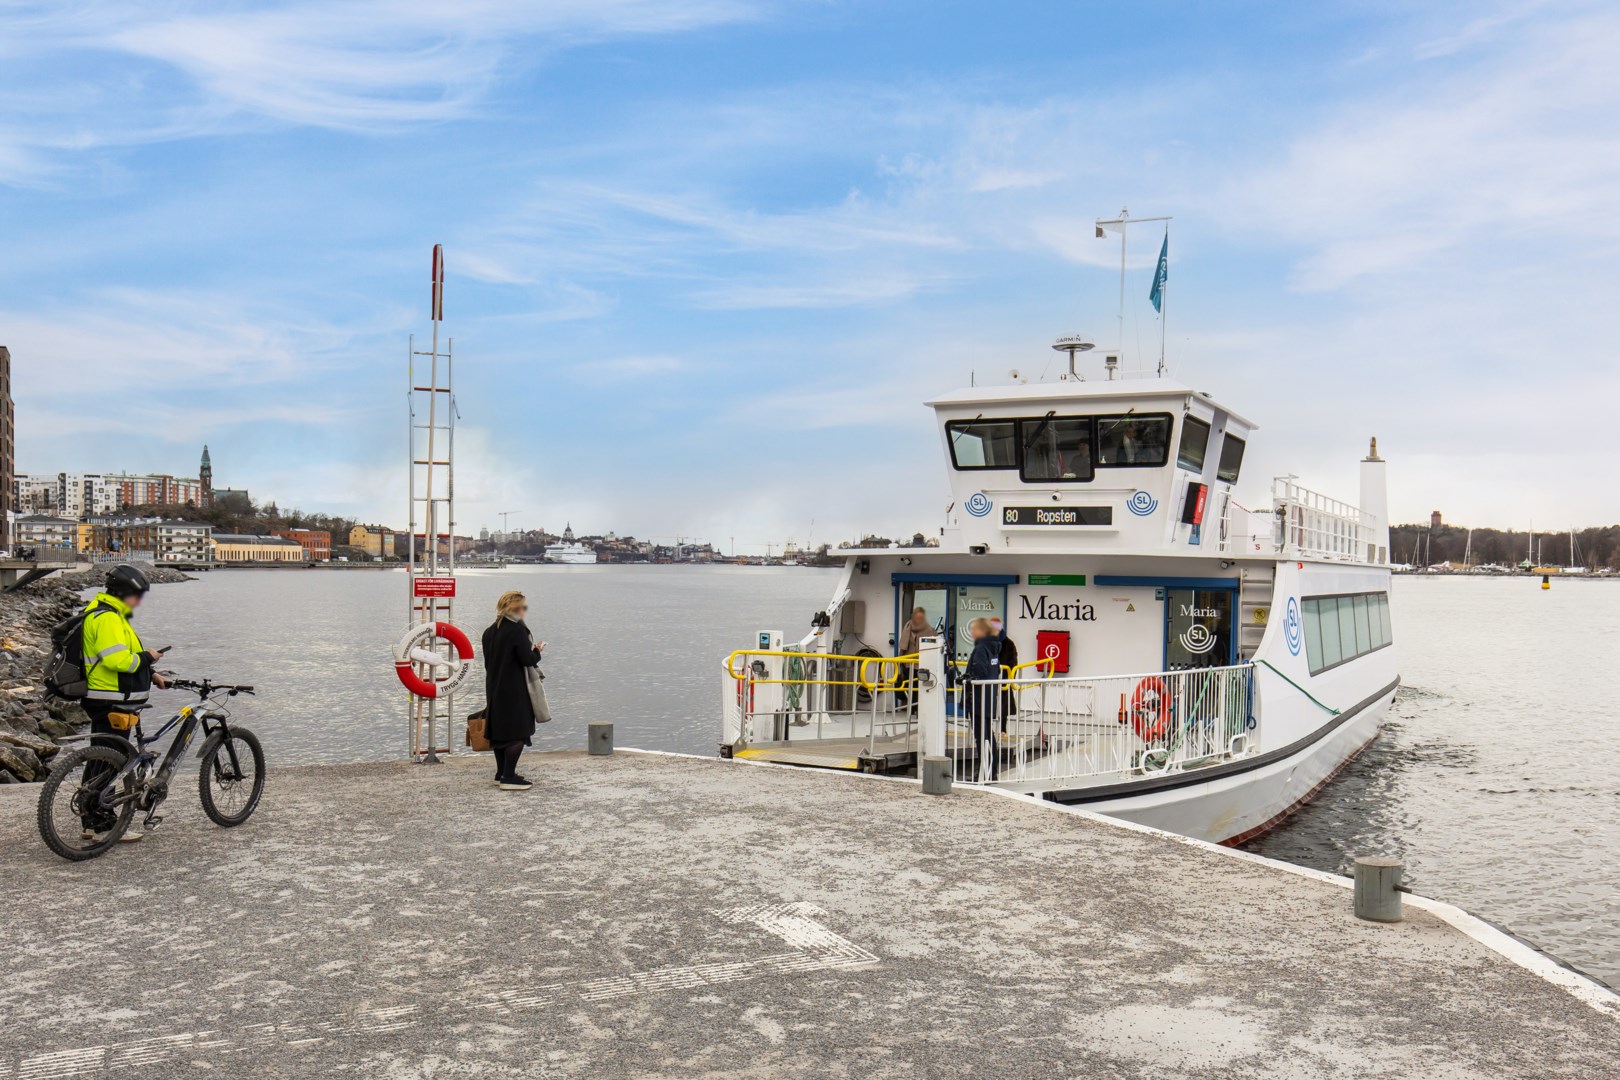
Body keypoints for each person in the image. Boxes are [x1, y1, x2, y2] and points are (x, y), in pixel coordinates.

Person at [81, 564, 168, 842]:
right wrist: (148, 658)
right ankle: (102, 827)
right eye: (138, 594)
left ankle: (89, 821)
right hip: (111, 699)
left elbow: (119, 655)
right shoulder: (108, 619)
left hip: (105, 696)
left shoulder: (104, 613)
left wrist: (150, 674)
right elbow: (118, 661)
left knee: (100, 760)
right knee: (111, 762)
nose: (139, 601)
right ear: (125, 591)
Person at [481, 590, 543, 791]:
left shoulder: (490, 631)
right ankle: (509, 777)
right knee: (518, 732)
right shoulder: (517, 631)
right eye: (523, 608)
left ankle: (501, 773)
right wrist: (537, 651)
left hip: (494, 687)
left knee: (500, 733)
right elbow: (527, 660)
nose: (525, 611)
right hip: (514, 688)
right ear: (515, 609)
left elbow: (488, 663)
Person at [963, 617, 1005, 781]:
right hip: (989, 699)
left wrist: (966, 679)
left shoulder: (981, 648)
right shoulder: (994, 648)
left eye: (975, 629)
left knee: (982, 737)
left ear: (983, 631)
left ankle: (983, 773)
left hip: (979, 699)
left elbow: (979, 671)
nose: (972, 632)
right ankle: (991, 771)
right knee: (988, 735)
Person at [896, 607, 935, 711]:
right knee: (909, 685)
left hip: (921, 663)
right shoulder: (908, 626)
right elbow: (903, 646)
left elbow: (933, 644)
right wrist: (900, 660)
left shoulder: (928, 629)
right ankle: (911, 708)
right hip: (908, 663)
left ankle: (918, 708)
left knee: (919, 686)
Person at [990, 617, 1019, 731]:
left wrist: (1008, 679)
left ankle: (1002, 729)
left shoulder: (1008, 644)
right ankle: (991, 729)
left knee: (1002, 707)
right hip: (991, 679)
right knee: (990, 705)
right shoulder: (987, 642)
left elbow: (1013, 664)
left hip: (1002, 681)